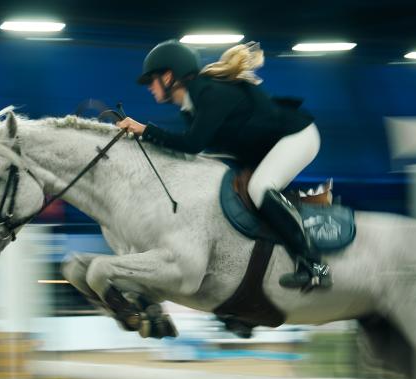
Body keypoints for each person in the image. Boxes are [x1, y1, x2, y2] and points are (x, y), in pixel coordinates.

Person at [117, 40, 329, 290]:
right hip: (267, 146)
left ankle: (317, 267)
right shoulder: (191, 107)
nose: (150, 87)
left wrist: (145, 130)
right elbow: (196, 149)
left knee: (259, 188)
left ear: (169, 76)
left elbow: (192, 144)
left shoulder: (209, 92)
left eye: (152, 80)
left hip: (297, 136)